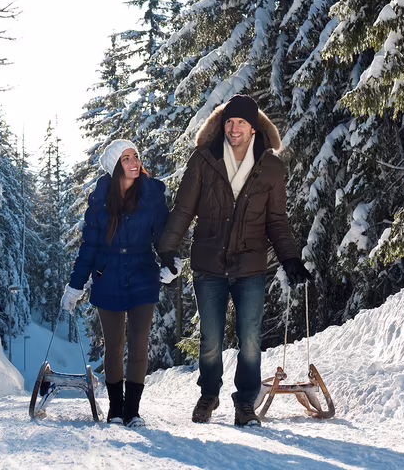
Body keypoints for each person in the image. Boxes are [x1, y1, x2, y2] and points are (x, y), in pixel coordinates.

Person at [157, 94, 311, 427]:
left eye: (241, 122)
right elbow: (183, 209)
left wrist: (290, 258)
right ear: (222, 125)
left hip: (249, 265)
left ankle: (245, 403)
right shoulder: (204, 159)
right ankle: (208, 395)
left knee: (251, 340)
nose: (234, 128)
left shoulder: (271, 167)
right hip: (209, 264)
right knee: (211, 339)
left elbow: (276, 221)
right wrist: (168, 248)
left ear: (254, 127)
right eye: (229, 121)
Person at [62, 139, 169, 427]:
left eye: (135, 156)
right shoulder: (100, 200)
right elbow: (89, 246)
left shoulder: (152, 194)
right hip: (108, 277)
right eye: (126, 158)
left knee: (139, 344)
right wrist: (75, 286)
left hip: (143, 275)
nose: (134, 162)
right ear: (114, 166)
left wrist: (171, 262)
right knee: (114, 345)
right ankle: (116, 409)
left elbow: (163, 236)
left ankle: (132, 411)